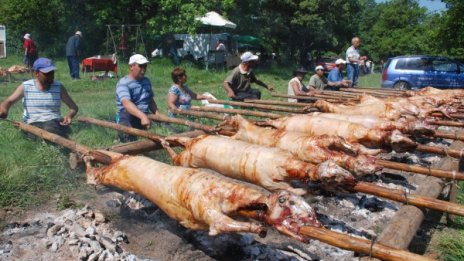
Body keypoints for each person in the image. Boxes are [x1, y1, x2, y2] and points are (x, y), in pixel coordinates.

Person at [0, 58, 78, 137]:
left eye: (52, 73)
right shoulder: (26, 86)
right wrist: (4, 110)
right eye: (47, 74)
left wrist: (69, 116)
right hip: (33, 123)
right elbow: (8, 101)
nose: (51, 76)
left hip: (53, 121)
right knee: (38, 131)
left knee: (50, 127)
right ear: (36, 73)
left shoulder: (58, 87)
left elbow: (74, 108)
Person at [115, 54, 160, 142]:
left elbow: (150, 100)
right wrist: (143, 117)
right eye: (141, 66)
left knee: (166, 126)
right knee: (125, 126)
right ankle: (126, 139)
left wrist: (157, 114)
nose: (143, 69)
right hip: (128, 115)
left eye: (145, 66)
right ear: (131, 66)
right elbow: (126, 104)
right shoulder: (123, 83)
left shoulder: (146, 81)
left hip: (144, 114)